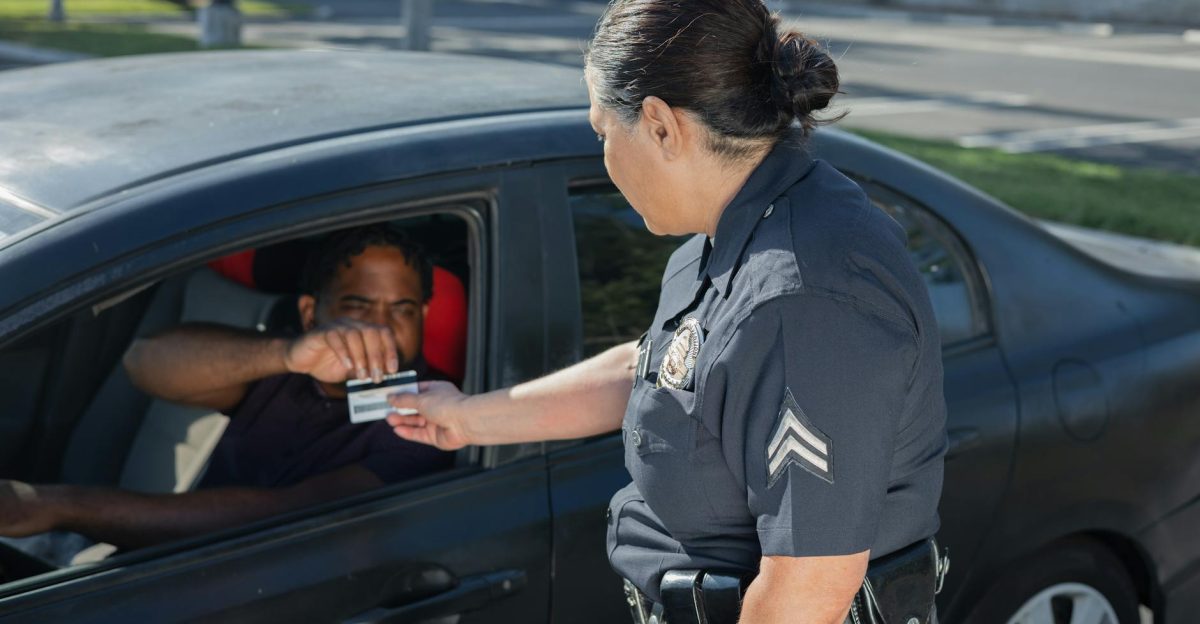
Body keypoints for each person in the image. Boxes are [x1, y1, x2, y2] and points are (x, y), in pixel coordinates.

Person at [383, 2, 947, 623]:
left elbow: (805, 595)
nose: (602, 153)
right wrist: (462, 419)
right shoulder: (734, 232)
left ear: (658, 125)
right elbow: (662, 373)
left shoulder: (802, 300)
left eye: (603, 132)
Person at [0, 226, 454, 561]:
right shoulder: (291, 364)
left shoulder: (430, 411)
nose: (378, 325)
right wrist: (289, 353)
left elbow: (279, 517)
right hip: (163, 571)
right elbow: (146, 363)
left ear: (425, 315)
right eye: (357, 305)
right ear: (311, 313)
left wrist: (58, 505)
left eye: (403, 309)